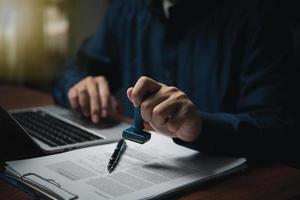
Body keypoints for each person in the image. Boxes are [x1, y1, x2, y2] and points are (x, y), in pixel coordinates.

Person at [53, 0, 299, 163]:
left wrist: (201, 127)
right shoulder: (127, 7)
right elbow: (73, 72)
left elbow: (277, 130)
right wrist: (77, 87)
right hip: (135, 169)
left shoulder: (258, 17)